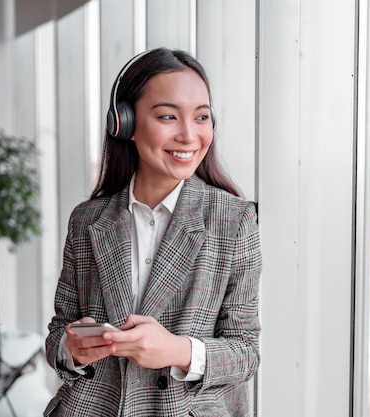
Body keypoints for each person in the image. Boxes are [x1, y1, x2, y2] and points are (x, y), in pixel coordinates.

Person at [44, 47, 262, 417]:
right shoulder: (87, 221)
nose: (189, 135)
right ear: (125, 124)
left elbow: (246, 353)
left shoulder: (234, 221)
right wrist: (72, 349)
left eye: (202, 117)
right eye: (168, 116)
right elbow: (57, 334)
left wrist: (176, 350)